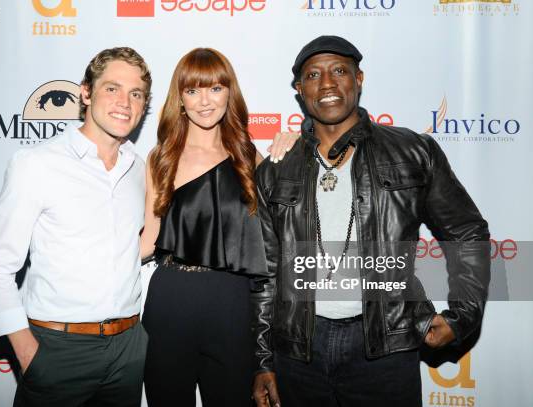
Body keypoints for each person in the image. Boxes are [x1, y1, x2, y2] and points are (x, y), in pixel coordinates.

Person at [252, 36, 490, 407]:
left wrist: (464, 314)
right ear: (300, 90)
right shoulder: (274, 171)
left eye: (339, 71)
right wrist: (264, 360)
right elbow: (266, 273)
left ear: (359, 79)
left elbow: (467, 231)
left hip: (386, 345)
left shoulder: (412, 151)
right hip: (299, 350)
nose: (327, 83)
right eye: (313, 75)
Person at [0, 47, 151, 407]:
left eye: (136, 94)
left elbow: (132, 249)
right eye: (112, 88)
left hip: (128, 348)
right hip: (58, 349)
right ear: (85, 93)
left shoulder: (138, 170)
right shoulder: (37, 164)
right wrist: (28, 354)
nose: (125, 102)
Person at [139, 48, 297, 407]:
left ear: (230, 93)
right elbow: (149, 239)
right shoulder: (161, 156)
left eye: (215, 88)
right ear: (180, 99)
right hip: (171, 301)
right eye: (192, 90)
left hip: (233, 304)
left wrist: (298, 142)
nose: (204, 101)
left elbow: (288, 222)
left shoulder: (249, 156)